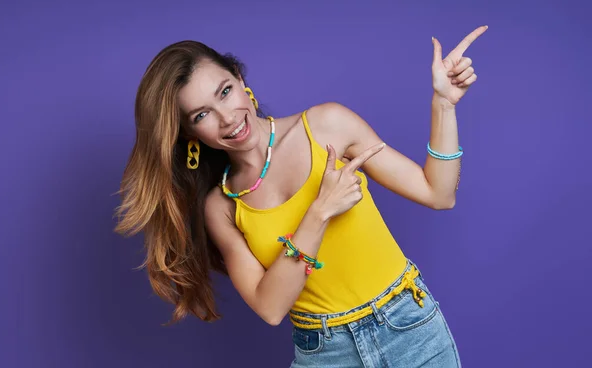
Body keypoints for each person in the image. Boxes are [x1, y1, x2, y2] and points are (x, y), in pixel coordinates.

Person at [114, 25, 487, 367]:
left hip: (408, 328)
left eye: (225, 92)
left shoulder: (327, 125)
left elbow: (438, 194)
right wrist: (319, 212)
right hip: (325, 350)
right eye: (201, 115)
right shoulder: (223, 205)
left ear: (241, 80)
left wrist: (444, 104)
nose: (227, 118)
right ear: (188, 134)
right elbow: (271, 307)